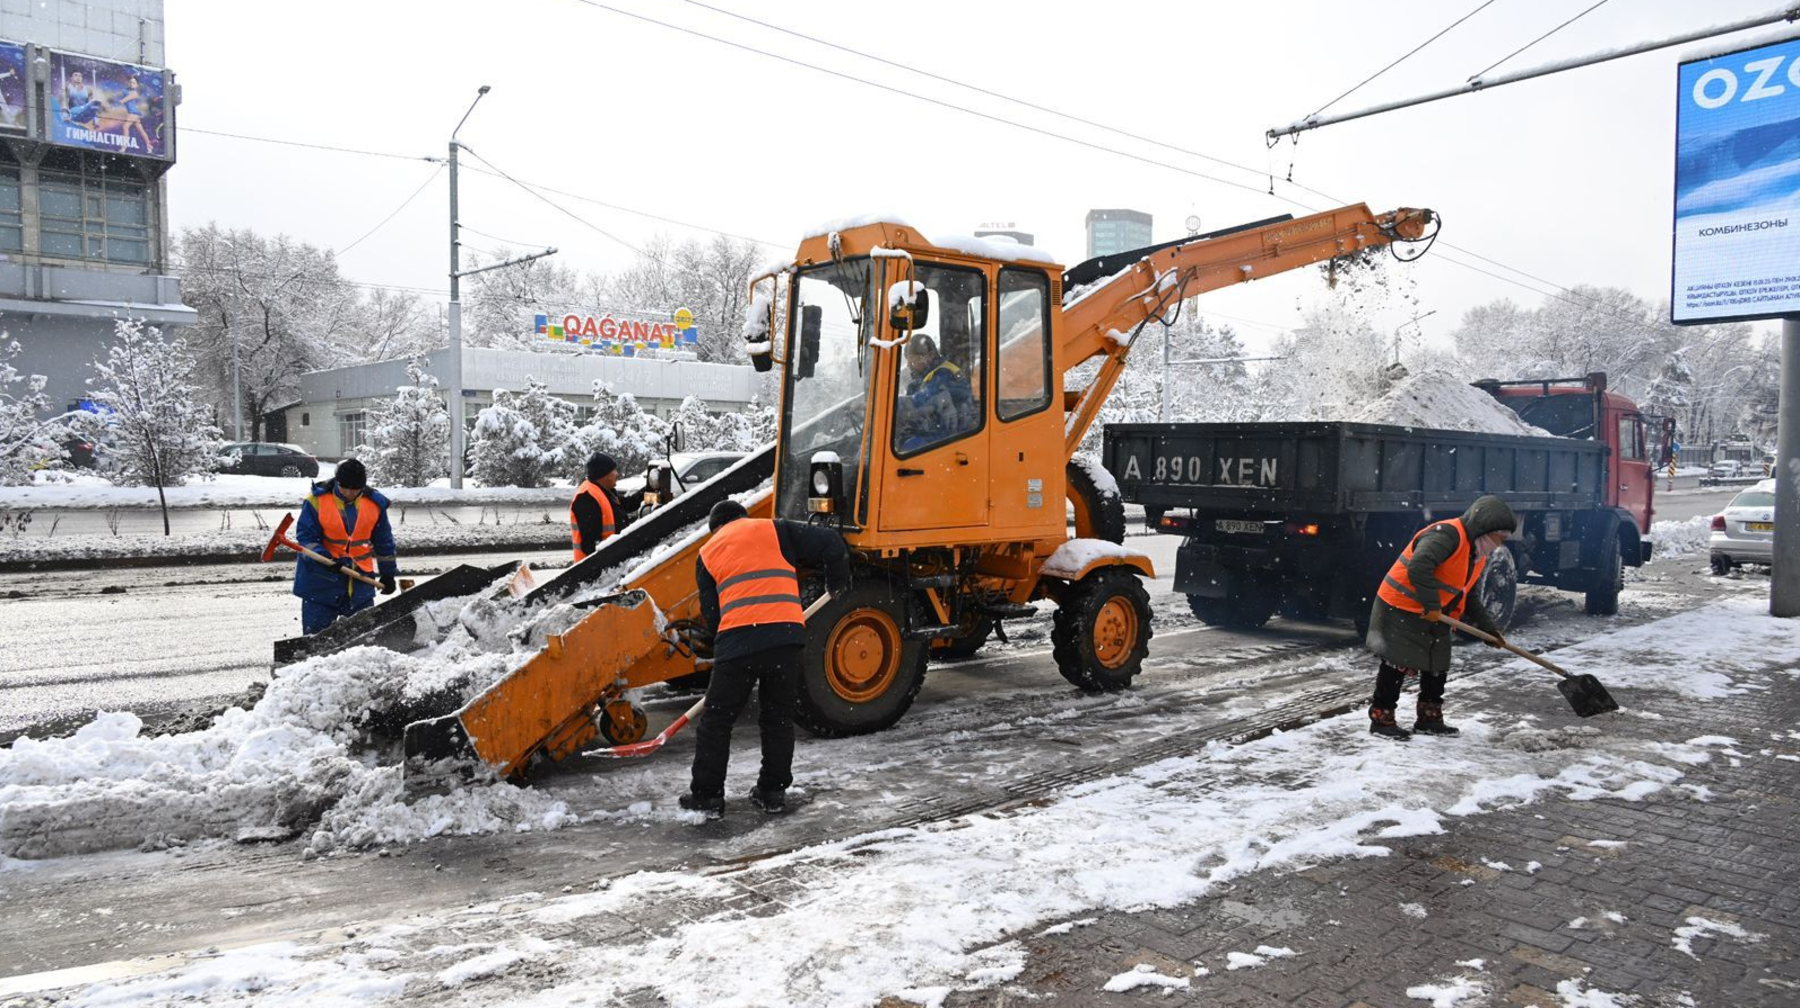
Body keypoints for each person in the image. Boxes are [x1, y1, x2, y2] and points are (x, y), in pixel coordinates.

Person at [680, 499, 850, 818]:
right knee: (777, 719)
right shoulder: (776, 529)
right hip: (785, 639)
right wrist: (837, 582)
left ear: (715, 527)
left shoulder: (708, 552)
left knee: (716, 723)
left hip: (737, 644)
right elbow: (830, 541)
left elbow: (713, 616)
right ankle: (772, 792)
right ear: (743, 518)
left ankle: (707, 796)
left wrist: (728, 643)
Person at [1364, 494, 1517, 740]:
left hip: (1432, 611)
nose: (1500, 544)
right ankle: (1382, 720)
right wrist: (1433, 604)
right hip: (1400, 605)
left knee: (1437, 662)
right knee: (1397, 662)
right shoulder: (1446, 535)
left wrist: (1489, 630)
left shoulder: (1476, 554)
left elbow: (1469, 595)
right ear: (1486, 529)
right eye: (1500, 537)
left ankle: (1429, 719)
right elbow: (1419, 566)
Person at [291, 458, 398, 634]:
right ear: (337, 482)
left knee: (364, 638)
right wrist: (324, 557)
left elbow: (384, 543)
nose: (348, 492)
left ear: (362, 486)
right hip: (321, 582)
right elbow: (307, 537)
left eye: (354, 489)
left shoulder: (375, 504)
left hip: (359, 583)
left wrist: (388, 574)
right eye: (344, 487)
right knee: (316, 640)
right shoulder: (316, 500)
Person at [896, 334, 974, 452]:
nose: (909, 366)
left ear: (930, 355)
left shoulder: (944, 374)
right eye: (908, 360)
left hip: (953, 436)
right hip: (939, 430)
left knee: (902, 450)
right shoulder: (926, 377)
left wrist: (890, 404)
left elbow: (921, 401)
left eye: (914, 359)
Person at [570, 451, 626, 562]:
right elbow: (590, 545)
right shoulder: (587, 498)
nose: (617, 474)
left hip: (608, 565)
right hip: (592, 571)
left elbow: (626, 504)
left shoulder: (604, 491)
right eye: (614, 470)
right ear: (605, 474)